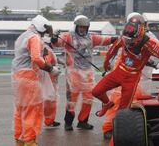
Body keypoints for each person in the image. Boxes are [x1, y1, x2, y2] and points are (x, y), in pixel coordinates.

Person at [101, 13, 159, 139]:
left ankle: (132, 126)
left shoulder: (147, 36)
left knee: (139, 103)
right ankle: (109, 128)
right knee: (118, 101)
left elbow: (158, 45)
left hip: (142, 75)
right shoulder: (126, 35)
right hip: (125, 71)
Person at [52, 15, 117, 131]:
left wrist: (117, 39)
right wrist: (54, 37)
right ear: (76, 27)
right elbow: (56, 43)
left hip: (88, 74)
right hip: (73, 74)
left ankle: (83, 121)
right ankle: (68, 123)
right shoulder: (68, 37)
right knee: (71, 100)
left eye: (84, 27)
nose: (82, 29)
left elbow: (105, 40)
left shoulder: (91, 38)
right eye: (80, 27)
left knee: (88, 99)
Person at [12, 15, 60, 146]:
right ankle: (30, 140)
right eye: (44, 31)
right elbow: (36, 59)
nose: (45, 34)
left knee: (20, 109)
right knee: (32, 109)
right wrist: (51, 69)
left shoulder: (22, 36)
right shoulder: (34, 37)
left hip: (17, 77)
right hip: (29, 77)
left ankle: (19, 139)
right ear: (41, 27)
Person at [41, 34, 61, 127]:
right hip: (50, 79)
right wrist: (55, 69)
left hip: (49, 79)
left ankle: (49, 120)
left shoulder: (46, 48)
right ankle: (49, 121)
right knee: (50, 101)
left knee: (49, 100)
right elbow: (47, 62)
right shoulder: (47, 50)